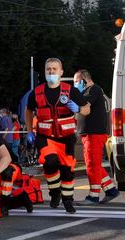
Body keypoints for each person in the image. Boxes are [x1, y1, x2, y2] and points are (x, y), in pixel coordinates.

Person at [25, 57, 91, 214]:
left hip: (66, 137)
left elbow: (87, 109)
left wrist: (78, 109)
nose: (51, 71)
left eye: (54, 69)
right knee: (50, 162)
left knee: (67, 169)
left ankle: (68, 199)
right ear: (45, 71)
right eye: (48, 69)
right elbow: (28, 111)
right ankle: (55, 193)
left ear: (61, 72)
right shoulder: (37, 92)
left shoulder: (71, 91)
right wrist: (29, 131)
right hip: (45, 135)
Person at [73, 69, 119, 205]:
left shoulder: (93, 90)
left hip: (94, 134)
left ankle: (93, 196)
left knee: (92, 165)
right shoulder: (92, 91)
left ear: (84, 80)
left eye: (76, 82)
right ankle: (110, 190)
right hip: (91, 133)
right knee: (94, 164)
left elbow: (84, 103)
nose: (75, 85)